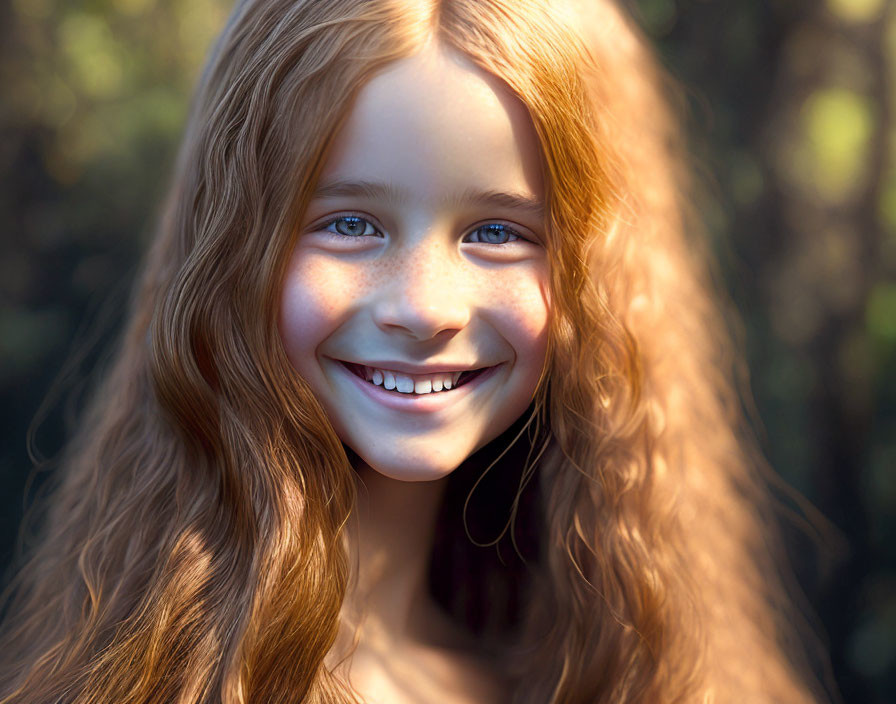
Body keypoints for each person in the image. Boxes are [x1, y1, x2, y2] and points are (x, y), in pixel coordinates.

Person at [0, 0, 833, 702]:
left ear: (597, 280)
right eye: (350, 224)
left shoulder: (615, 674)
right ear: (227, 253)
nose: (423, 308)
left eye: (500, 232)